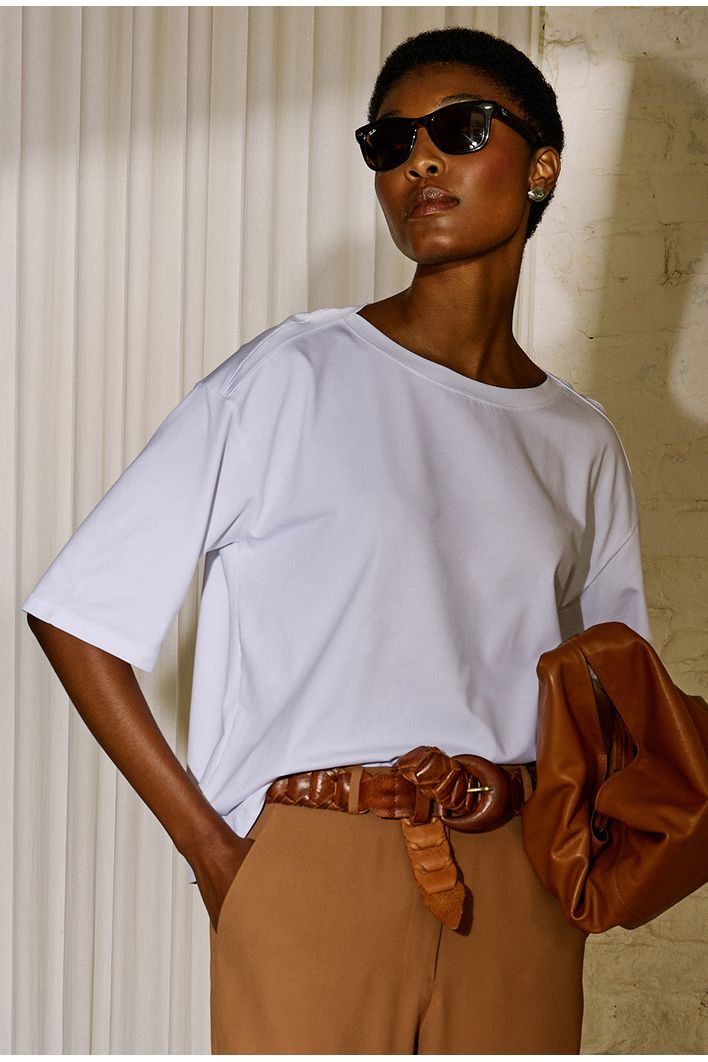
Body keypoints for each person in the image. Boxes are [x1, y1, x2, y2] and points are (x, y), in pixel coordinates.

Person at [23, 26, 650, 1054]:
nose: (421, 162)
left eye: (459, 129)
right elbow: (77, 615)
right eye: (391, 143)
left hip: (524, 876)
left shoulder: (579, 438)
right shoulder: (295, 376)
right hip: (315, 859)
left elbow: (615, 698)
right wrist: (216, 853)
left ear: (542, 166)